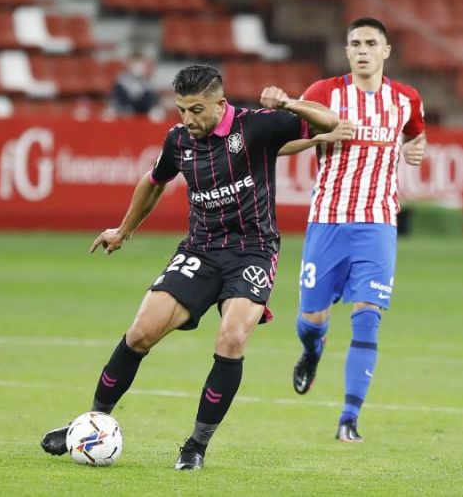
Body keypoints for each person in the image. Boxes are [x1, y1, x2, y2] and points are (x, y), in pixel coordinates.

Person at [40, 64, 340, 470]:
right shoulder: (179, 140)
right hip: (201, 249)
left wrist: (289, 103)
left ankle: (195, 446)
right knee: (141, 332)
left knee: (232, 339)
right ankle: (89, 423)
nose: (187, 119)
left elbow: (330, 120)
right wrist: (124, 230)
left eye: (196, 109)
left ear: (220, 103)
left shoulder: (257, 127)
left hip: (253, 250)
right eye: (182, 109)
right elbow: (153, 181)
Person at [278, 17, 427, 442]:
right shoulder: (324, 94)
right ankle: (312, 351)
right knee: (311, 319)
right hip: (327, 221)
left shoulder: (406, 99)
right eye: (354, 43)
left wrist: (416, 150)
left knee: (367, 319)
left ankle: (349, 418)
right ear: (347, 52)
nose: (362, 50)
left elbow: (416, 134)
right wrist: (319, 139)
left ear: (386, 51)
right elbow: (281, 144)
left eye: (370, 43)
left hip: (378, 223)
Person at [109, 52, 162, 119]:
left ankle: (152, 112)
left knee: (150, 95)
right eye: (134, 63)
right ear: (129, 64)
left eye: (139, 63)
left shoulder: (147, 81)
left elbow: (151, 97)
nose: (137, 66)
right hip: (126, 107)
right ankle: (125, 110)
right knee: (119, 90)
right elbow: (117, 96)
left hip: (142, 108)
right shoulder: (121, 78)